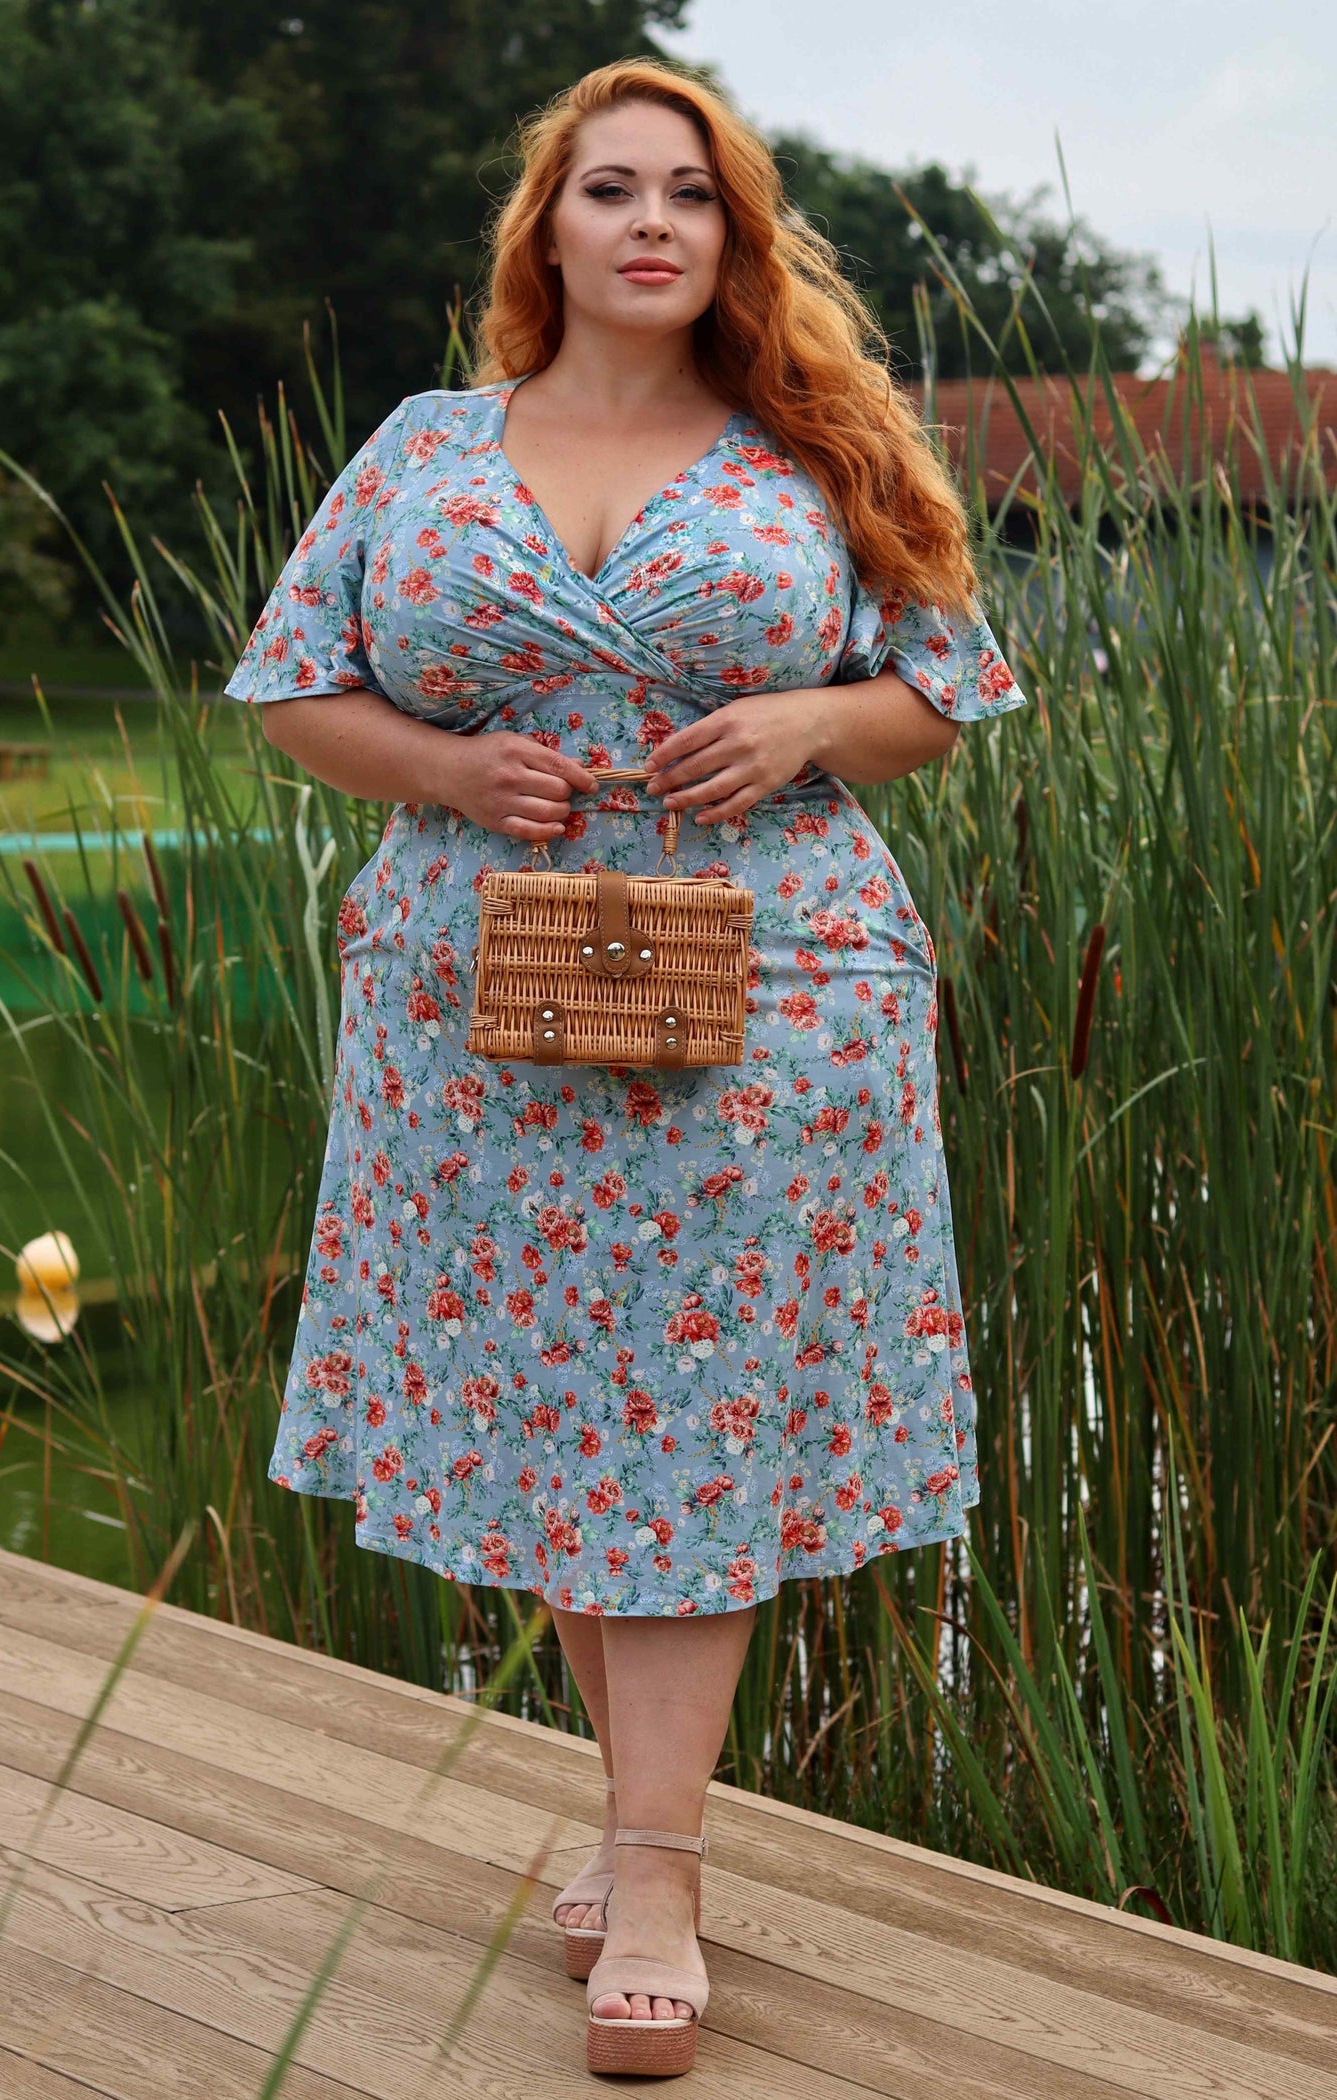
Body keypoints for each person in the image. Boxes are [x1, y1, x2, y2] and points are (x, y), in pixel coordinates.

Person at [226, 56, 1028, 2081]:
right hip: (469, 1009)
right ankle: (628, 1824)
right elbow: (288, 689)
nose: (651, 219)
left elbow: (945, 688)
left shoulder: (810, 439)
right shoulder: (423, 450)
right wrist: (445, 764)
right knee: (567, 1424)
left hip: (771, 1006)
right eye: (610, 189)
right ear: (550, 231)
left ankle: (656, 1872)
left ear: (732, 239)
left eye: (690, 192)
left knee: (680, 1416)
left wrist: (803, 730)